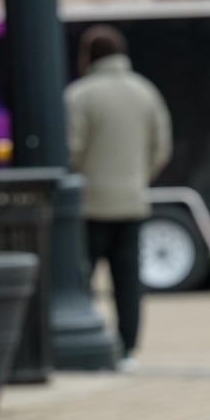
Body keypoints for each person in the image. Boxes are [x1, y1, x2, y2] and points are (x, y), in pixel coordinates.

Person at [65, 24, 172, 369]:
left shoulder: (80, 95)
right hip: (131, 202)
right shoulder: (145, 92)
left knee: (80, 279)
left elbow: (72, 149)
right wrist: (139, 177)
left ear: (88, 56)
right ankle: (127, 350)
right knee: (128, 281)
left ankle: (80, 343)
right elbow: (161, 147)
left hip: (89, 205)